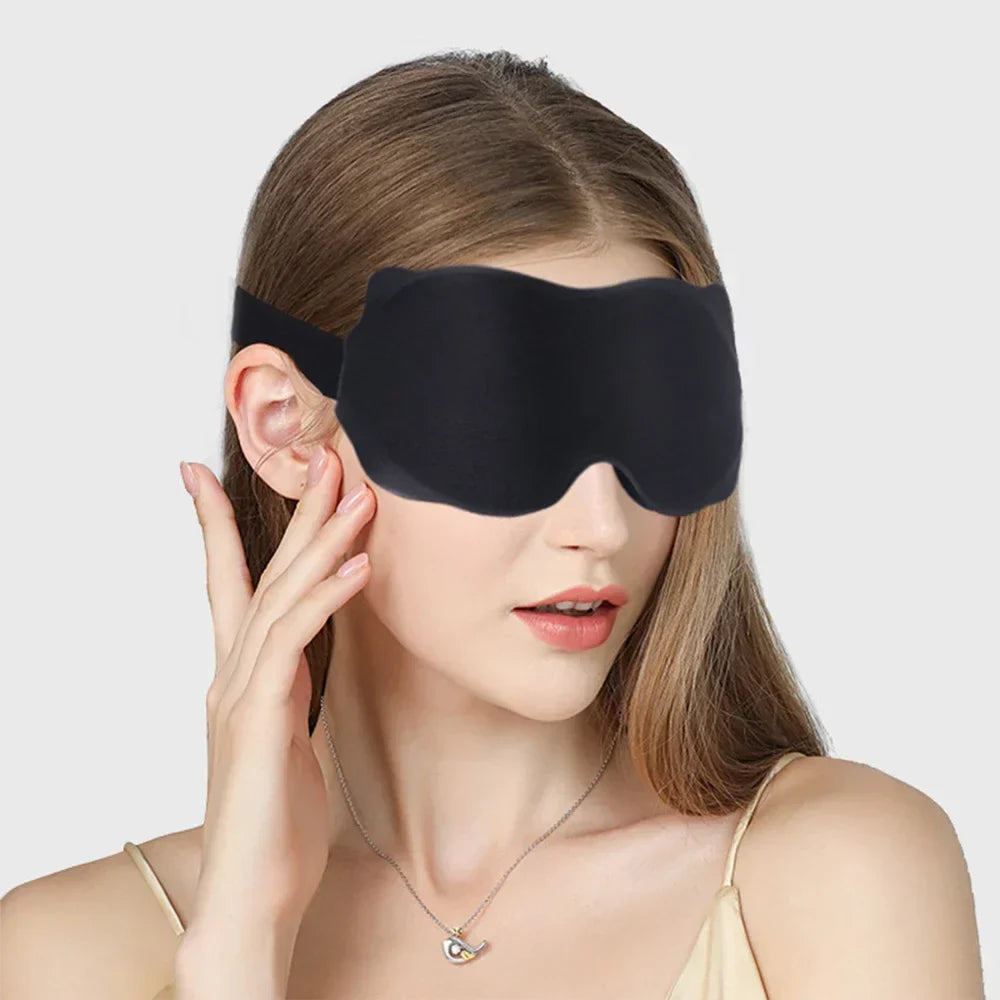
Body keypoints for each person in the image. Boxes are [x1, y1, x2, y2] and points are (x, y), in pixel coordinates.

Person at [0, 48, 984, 1000]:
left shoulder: (839, 873)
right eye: (503, 427)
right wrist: (238, 950)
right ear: (286, 425)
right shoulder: (72, 956)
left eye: (654, 424)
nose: (601, 526)